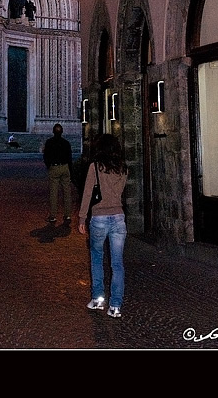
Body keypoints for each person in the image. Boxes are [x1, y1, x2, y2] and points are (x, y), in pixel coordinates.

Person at [78, 134, 128, 319]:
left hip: (99, 217)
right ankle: (115, 306)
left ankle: (98, 299)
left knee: (97, 259)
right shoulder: (123, 168)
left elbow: (87, 193)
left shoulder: (95, 167)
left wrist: (82, 218)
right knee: (117, 263)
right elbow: (120, 192)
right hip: (118, 218)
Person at [43, 123, 73, 224]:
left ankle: (53, 216)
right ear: (62, 132)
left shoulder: (49, 142)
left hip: (54, 168)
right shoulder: (66, 143)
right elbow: (69, 157)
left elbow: (46, 156)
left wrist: (49, 166)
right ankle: (68, 215)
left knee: (53, 192)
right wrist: (70, 169)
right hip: (65, 167)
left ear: (53, 132)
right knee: (67, 192)